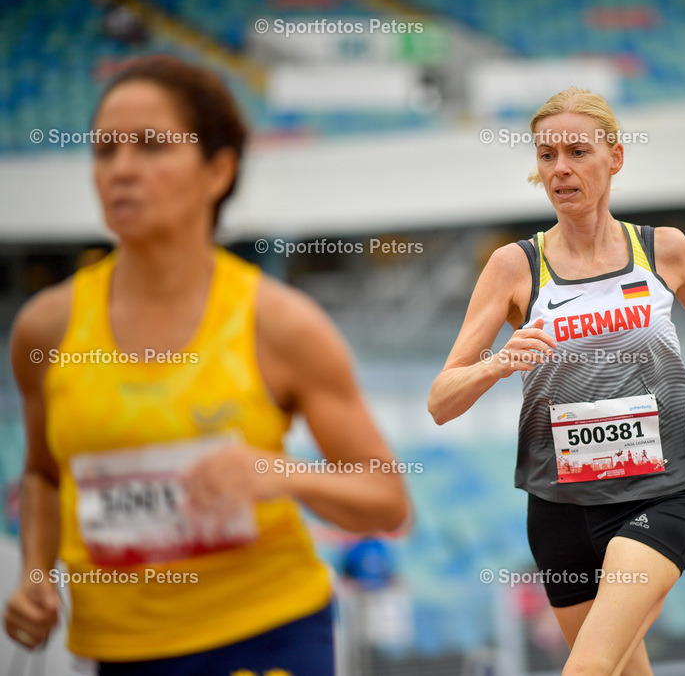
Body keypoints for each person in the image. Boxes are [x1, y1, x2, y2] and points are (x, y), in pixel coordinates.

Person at [3, 56, 409, 675]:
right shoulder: (46, 329)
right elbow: (42, 476)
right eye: (105, 151)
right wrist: (36, 572)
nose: (121, 170)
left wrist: (278, 473)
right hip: (119, 653)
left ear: (218, 169)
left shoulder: (279, 324)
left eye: (151, 147)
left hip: (268, 638)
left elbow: (386, 500)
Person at [428, 87, 685, 675]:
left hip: (657, 494)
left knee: (586, 669)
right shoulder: (514, 266)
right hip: (558, 510)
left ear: (615, 159)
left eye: (577, 152)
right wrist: (497, 362)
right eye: (547, 155)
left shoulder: (664, 250)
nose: (560, 169)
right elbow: (440, 402)